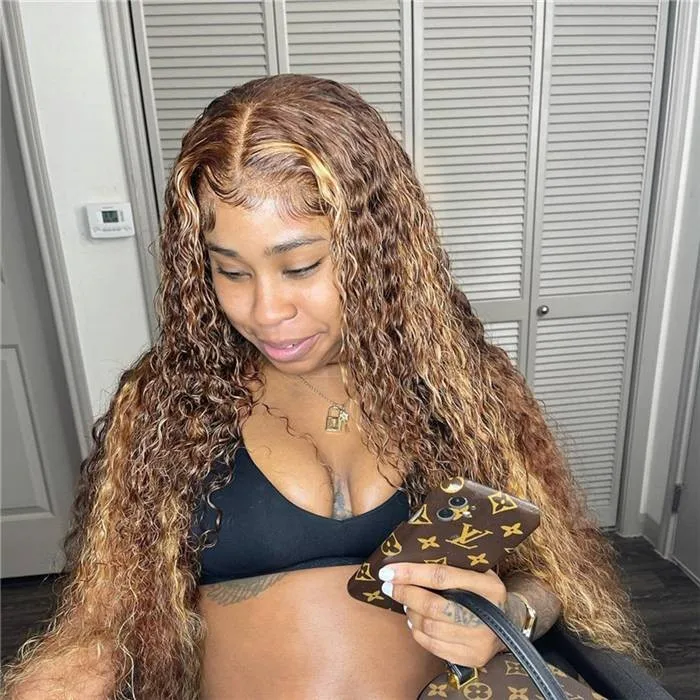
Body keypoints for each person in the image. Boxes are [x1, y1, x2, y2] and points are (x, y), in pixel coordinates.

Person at [3, 74, 652, 700]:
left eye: (301, 266)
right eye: (231, 272)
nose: (265, 311)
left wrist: (509, 613)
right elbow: (102, 628)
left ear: (379, 250)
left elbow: (550, 574)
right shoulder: (170, 405)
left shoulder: (464, 388)